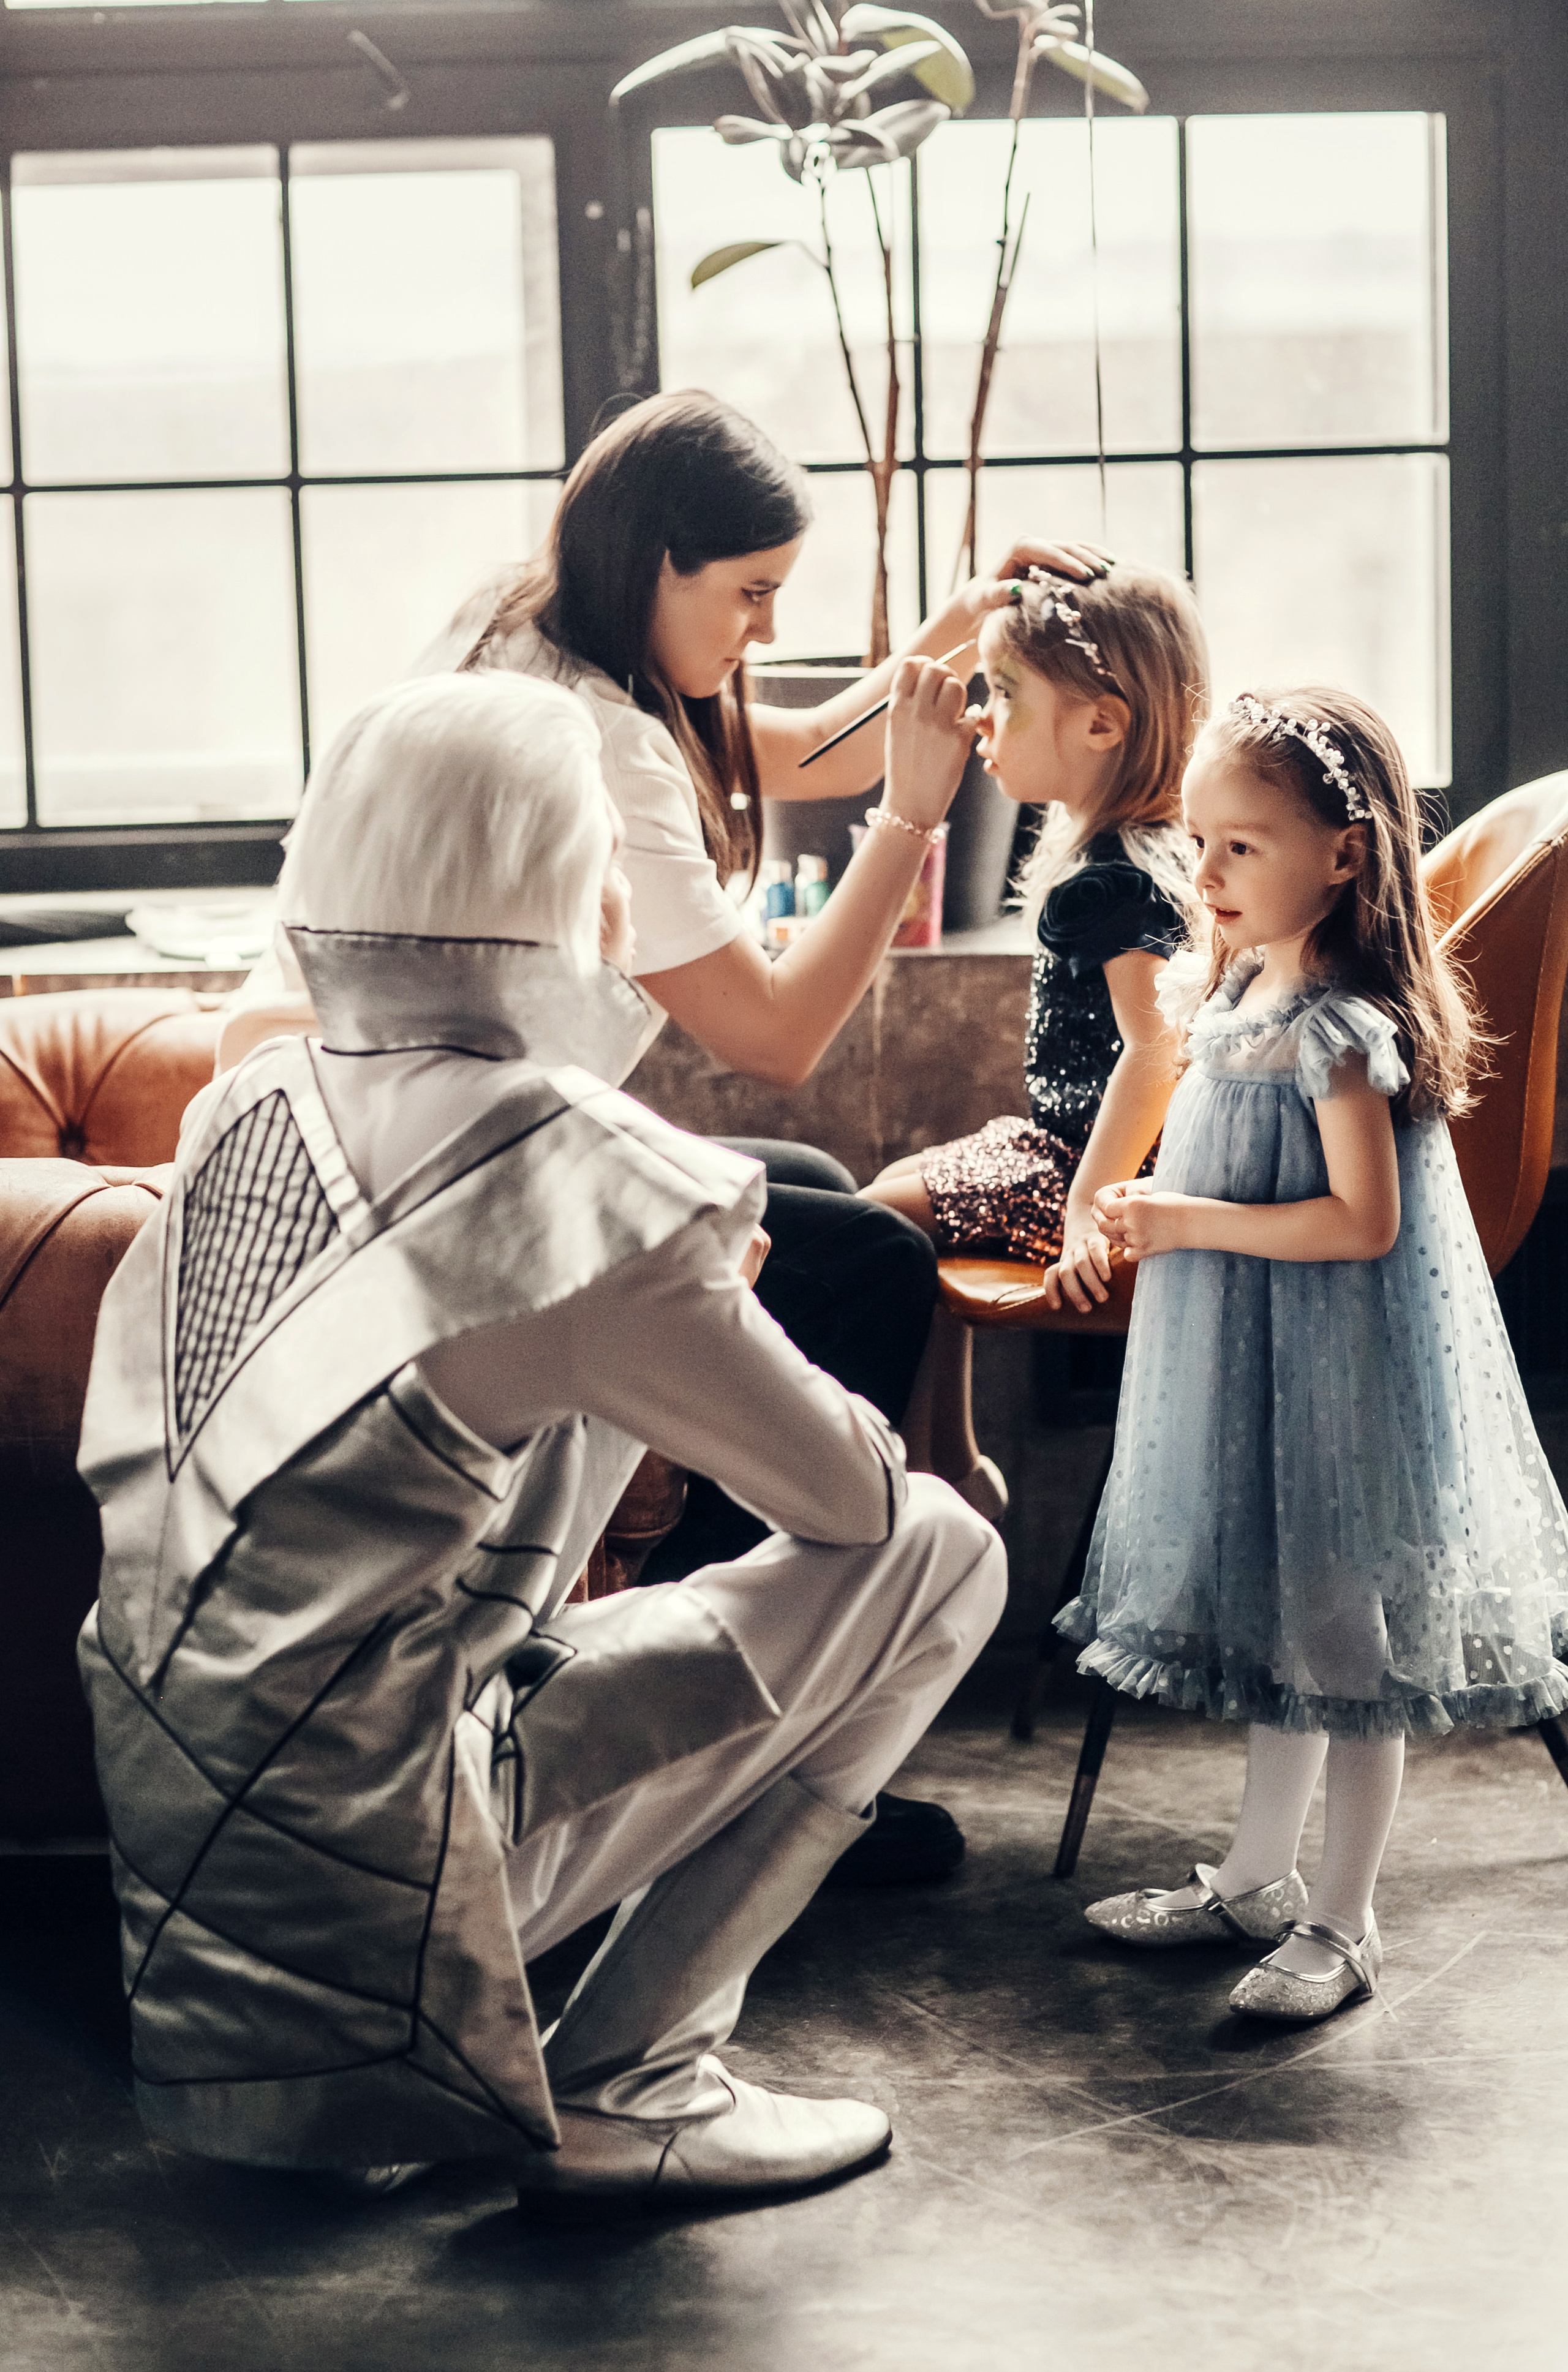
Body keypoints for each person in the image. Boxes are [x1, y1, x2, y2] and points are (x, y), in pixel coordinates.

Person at [76, 670, 1006, 2204]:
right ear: (559, 889)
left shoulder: (248, 1105)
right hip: (389, 1911)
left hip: (192, 1932)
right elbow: (848, 1501)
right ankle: (639, 2086)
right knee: (941, 1545)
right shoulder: (572, 1175)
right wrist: (709, 1312)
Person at [221, 388, 1096, 1883]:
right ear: (659, 564)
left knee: (812, 1196)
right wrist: (908, 822)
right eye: (749, 594)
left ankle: (745, 1682)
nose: (765, 628)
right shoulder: (606, 745)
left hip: (376, 1113)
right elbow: (776, 1034)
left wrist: (944, 640)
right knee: (867, 1260)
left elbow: (777, 744)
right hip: (450, 1175)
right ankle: (737, 1752)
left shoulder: (520, 620)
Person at [1058, 686, 1568, 2022]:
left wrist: (1183, 1218)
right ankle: (1252, 1877)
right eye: (1198, 840)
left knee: (1341, 1639)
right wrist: (1137, 1201)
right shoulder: (1236, 986)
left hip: (1337, 1367)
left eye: (1242, 845)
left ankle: (1343, 1919)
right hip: (1249, 1361)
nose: (1205, 873)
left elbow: (1360, 1221)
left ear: (1343, 854)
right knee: (1272, 1619)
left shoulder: (1339, 1024)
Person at [864, 563, 1208, 1509]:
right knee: (889, 1203)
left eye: (1006, 694)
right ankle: (949, 1462)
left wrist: (1086, 1207)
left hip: (1098, 1171)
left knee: (880, 1225)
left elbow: (1156, 1048)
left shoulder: (1113, 880)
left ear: (1101, 724)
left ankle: (938, 1473)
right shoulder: (1143, 846)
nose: (981, 715)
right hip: (1066, 1144)